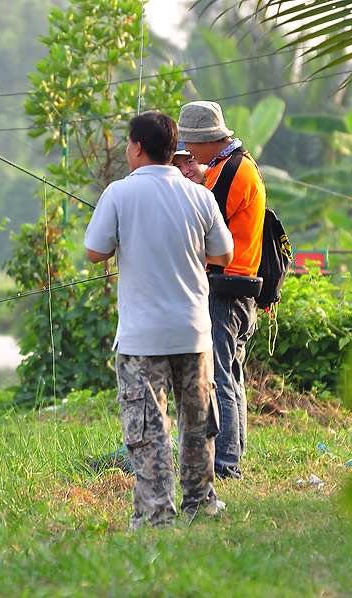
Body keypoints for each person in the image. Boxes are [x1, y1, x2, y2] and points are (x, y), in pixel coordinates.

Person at [84, 110, 234, 529]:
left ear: (136, 147)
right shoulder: (199, 196)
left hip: (141, 340)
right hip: (193, 332)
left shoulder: (118, 194)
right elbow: (224, 256)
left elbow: (96, 252)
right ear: (175, 150)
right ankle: (201, 504)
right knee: (197, 427)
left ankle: (156, 515)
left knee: (149, 429)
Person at [178, 101, 266, 480]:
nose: (189, 154)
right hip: (237, 286)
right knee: (232, 372)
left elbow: (206, 224)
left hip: (228, 286)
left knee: (223, 376)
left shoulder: (233, 170)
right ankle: (232, 454)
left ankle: (227, 462)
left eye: (191, 145)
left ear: (206, 140)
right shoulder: (227, 166)